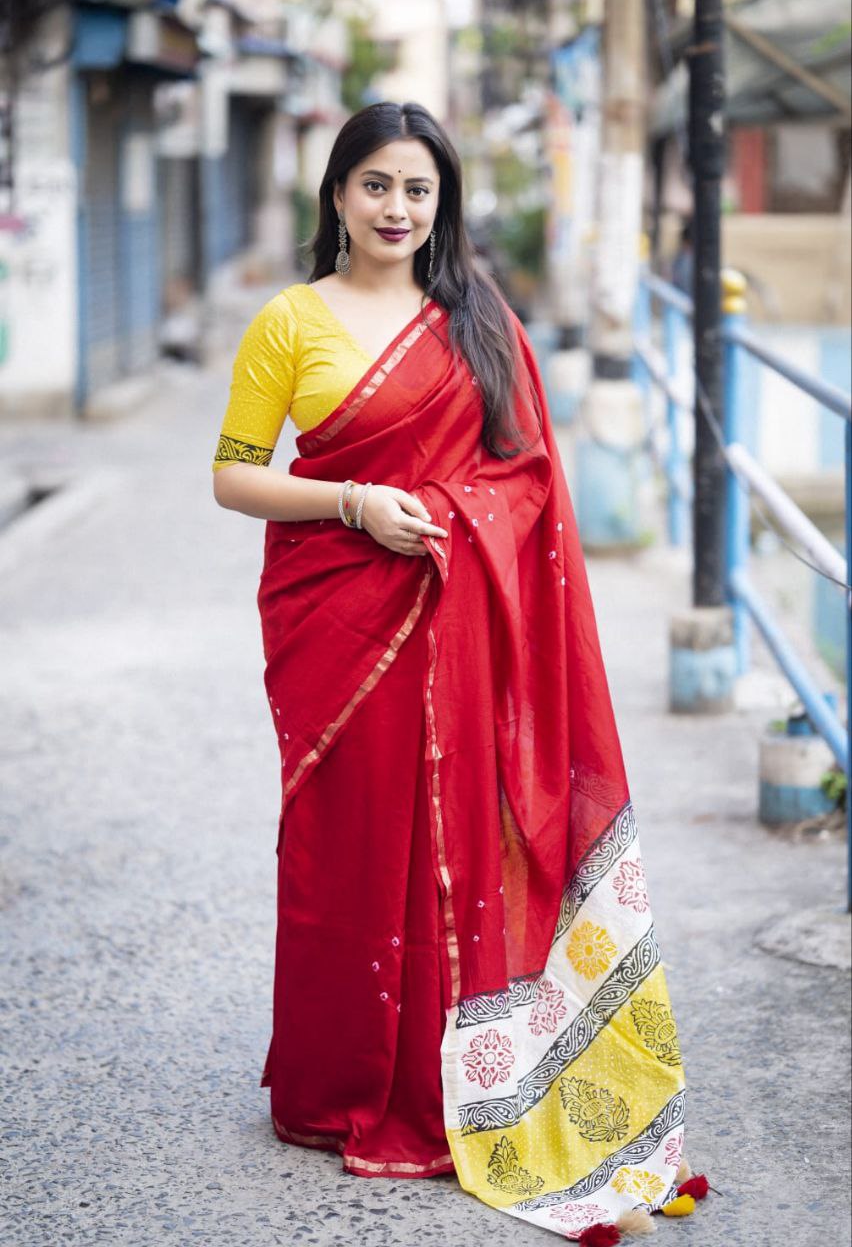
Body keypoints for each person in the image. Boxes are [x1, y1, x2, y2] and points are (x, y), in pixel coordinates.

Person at [211, 102, 702, 1242]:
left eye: (417, 190)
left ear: (442, 205)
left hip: (454, 622)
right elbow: (235, 476)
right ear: (336, 194)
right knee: (350, 842)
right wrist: (353, 502)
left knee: (454, 844)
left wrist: (434, 513)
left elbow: (525, 480)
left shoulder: (475, 319)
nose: (396, 209)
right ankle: (340, 1083)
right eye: (375, 185)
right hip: (339, 622)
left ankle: (455, 1078)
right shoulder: (290, 321)